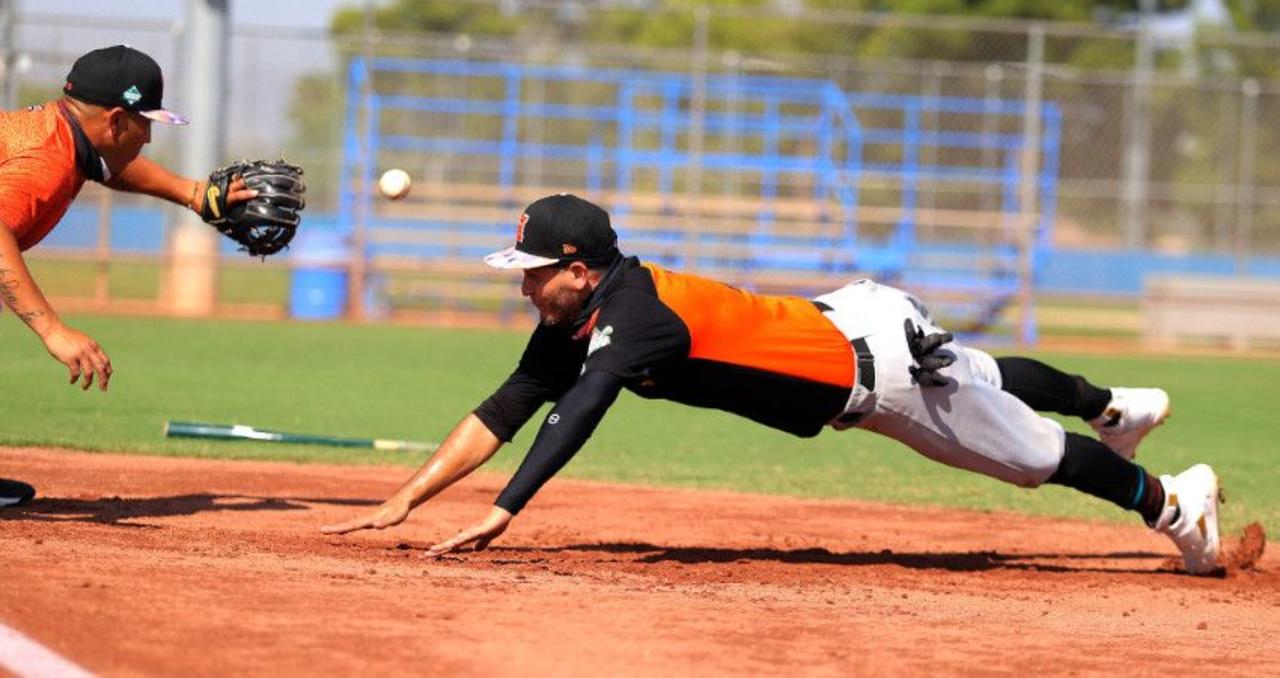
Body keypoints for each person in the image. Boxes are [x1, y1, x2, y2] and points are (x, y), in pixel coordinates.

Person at [323, 193, 1222, 575]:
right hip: (856, 318)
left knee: (1032, 457)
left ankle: (1175, 504)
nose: (523, 287)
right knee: (982, 373)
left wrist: (505, 509)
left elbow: (581, 409)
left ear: (579, 270)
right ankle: (1113, 407)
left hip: (877, 377)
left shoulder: (635, 320)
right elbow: (506, 408)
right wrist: (407, 498)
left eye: (532, 273)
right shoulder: (586, 316)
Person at [0, 45, 259, 507]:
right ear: (117, 121)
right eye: (146, 123)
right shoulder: (44, 161)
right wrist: (52, 329)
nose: (149, 138)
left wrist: (193, 194)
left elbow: (110, 168)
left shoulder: (63, 138)